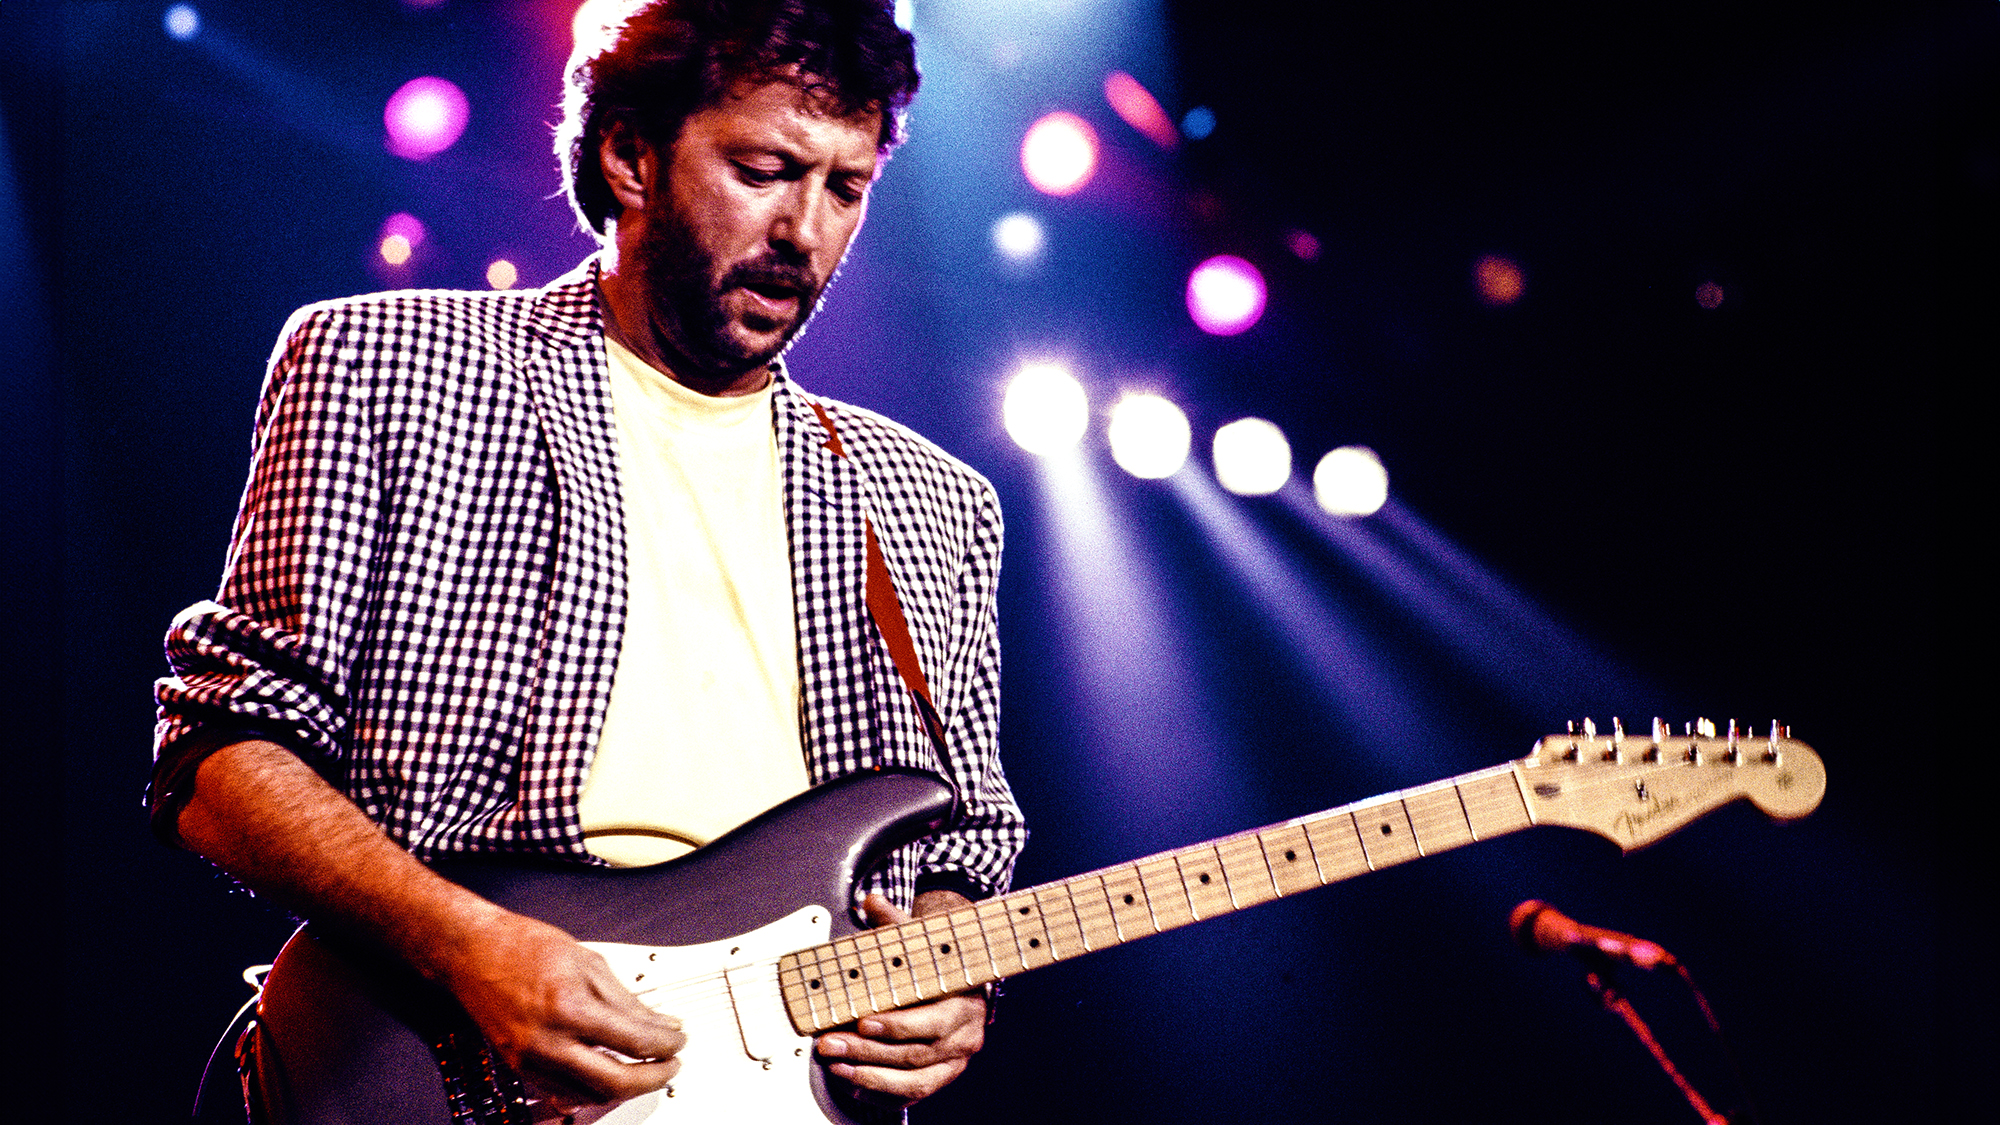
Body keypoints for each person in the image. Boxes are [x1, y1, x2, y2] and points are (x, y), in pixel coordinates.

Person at [148, 0, 1026, 1118]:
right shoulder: (387, 367)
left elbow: (970, 838)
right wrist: (468, 946)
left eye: (844, 188)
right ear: (629, 156)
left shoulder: (932, 503)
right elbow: (222, 753)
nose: (805, 229)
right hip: (444, 1072)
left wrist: (958, 978)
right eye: (765, 168)